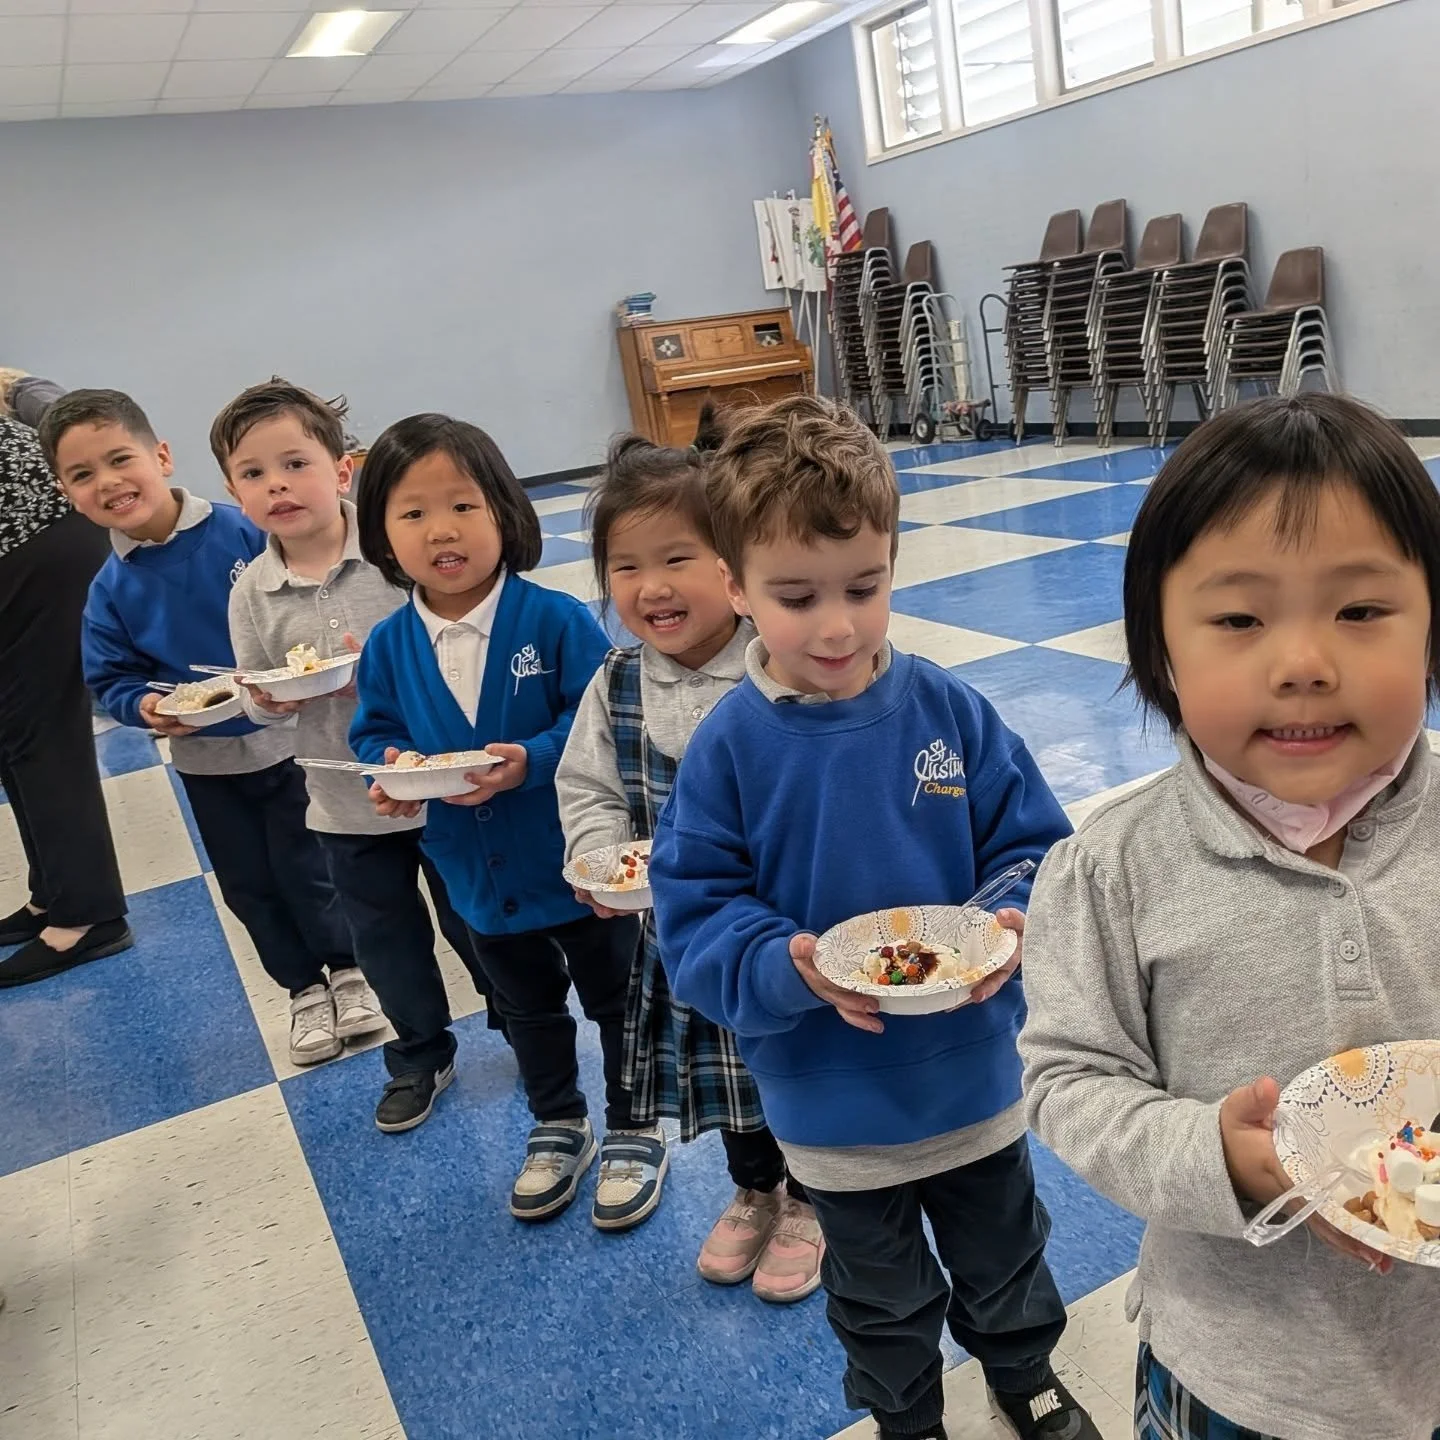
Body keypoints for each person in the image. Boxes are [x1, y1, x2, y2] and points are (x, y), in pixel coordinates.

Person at [649, 395, 1098, 1440]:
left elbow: (1037, 846)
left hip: (975, 1073)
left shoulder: (947, 709)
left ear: (896, 560)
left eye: (865, 586)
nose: (838, 624)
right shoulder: (728, 750)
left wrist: (1011, 918)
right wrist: (786, 965)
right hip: (829, 1101)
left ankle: (1024, 1375)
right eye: (797, 596)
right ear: (736, 587)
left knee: (1007, 1251)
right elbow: (695, 922)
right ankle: (906, 1411)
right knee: (880, 1293)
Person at [1019, 393, 1440, 1440]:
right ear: (1160, 651)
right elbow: (1071, 1083)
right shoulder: (1114, 870)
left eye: (1360, 611)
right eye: (1240, 619)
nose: (1301, 661)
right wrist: (1214, 1155)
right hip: (1240, 1373)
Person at [349, 412, 644, 1222]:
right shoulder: (386, 645)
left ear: (505, 512)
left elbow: (599, 722)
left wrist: (528, 759)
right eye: (412, 513)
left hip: (581, 866)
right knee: (526, 1009)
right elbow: (375, 731)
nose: (441, 530)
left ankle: (633, 1123)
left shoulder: (552, 620)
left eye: (463, 506)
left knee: (617, 1000)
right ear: (380, 534)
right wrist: (397, 770)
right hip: (476, 877)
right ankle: (557, 1122)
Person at [555, 422, 825, 1280]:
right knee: (731, 1078)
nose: (651, 587)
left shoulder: (783, 672)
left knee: (797, 1064)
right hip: (685, 937)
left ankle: (817, 1197)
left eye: (677, 558)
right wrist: (599, 858)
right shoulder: (617, 680)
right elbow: (588, 787)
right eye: (626, 567)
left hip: (789, 929)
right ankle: (754, 1189)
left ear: (735, 569)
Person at [38, 388, 363, 1065]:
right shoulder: (109, 588)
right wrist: (146, 708)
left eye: (120, 458)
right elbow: (111, 681)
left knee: (313, 866)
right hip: (208, 763)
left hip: (288, 742)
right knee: (247, 883)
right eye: (82, 475)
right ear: (66, 492)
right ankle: (301, 988)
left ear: (160, 455)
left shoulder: (244, 530)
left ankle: (350, 972)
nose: (108, 482)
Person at [221, 377, 503, 1130]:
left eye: (294, 463)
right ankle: (419, 1051)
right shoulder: (252, 589)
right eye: (253, 474)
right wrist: (270, 699)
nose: (276, 485)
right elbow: (253, 692)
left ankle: (517, 1014)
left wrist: (381, 665)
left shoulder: (393, 552)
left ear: (342, 470)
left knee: (472, 917)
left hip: (437, 783)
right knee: (384, 940)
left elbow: (453, 644)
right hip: (342, 801)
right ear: (232, 491)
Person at [0, 371, 128, 987]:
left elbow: (46, 399)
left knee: (39, 732)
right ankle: (51, 893)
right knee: (14, 735)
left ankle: (88, 915)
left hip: (36, 549)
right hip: (28, 547)